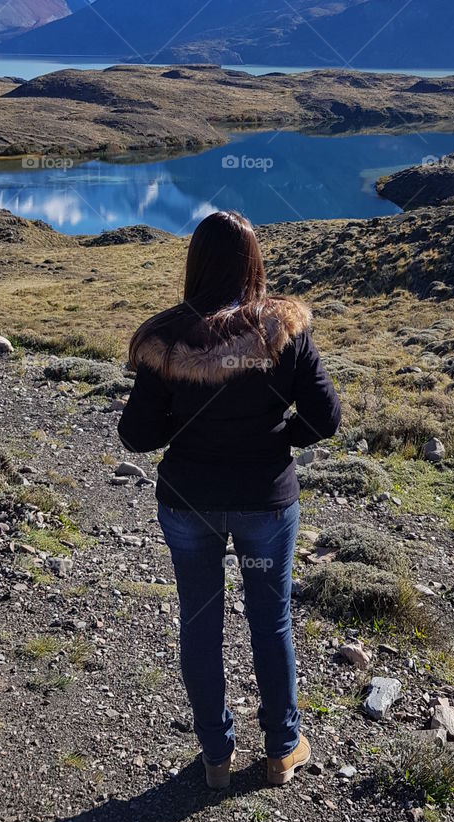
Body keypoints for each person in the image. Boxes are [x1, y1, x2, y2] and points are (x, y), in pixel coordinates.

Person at [118, 210, 341, 788]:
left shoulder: (165, 337)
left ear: (196, 265)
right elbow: (325, 418)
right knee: (270, 620)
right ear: (253, 264)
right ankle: (282, 750)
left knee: (199, 620)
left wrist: (182, 425)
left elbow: (138, 437)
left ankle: (216, 756)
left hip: (188, 501)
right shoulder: (282, 330)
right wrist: (277, 438)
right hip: (266, 501)